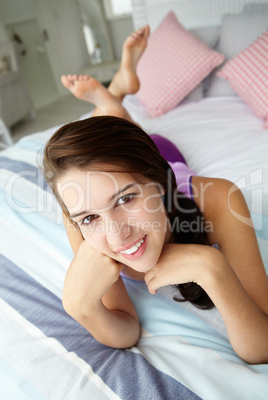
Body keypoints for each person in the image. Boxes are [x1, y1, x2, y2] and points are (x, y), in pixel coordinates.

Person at [42, 26, 268, 364]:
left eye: (125, 199)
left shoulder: (220, 199)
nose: (117, 234)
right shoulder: (79, 218)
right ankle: (114, 93)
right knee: (96, 156)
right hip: (139, 167)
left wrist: (212, 268)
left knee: (129, 139)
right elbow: (126, 329)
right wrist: (81, 307)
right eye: (91, 216)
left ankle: (115, 94)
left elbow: (262, 346)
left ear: (161, 187)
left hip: (164, 155)